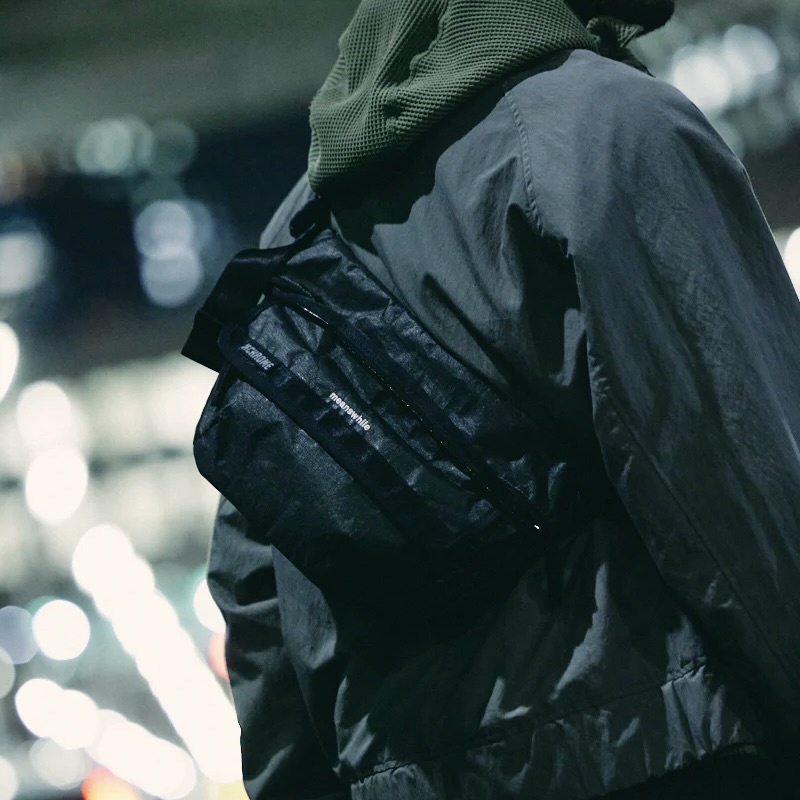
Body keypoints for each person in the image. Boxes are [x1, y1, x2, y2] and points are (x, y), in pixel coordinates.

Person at [205, 0, 800, 797]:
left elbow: (255, 572)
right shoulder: (613, 129)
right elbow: (737, 475)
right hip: (659, 750)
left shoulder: (298, 233)